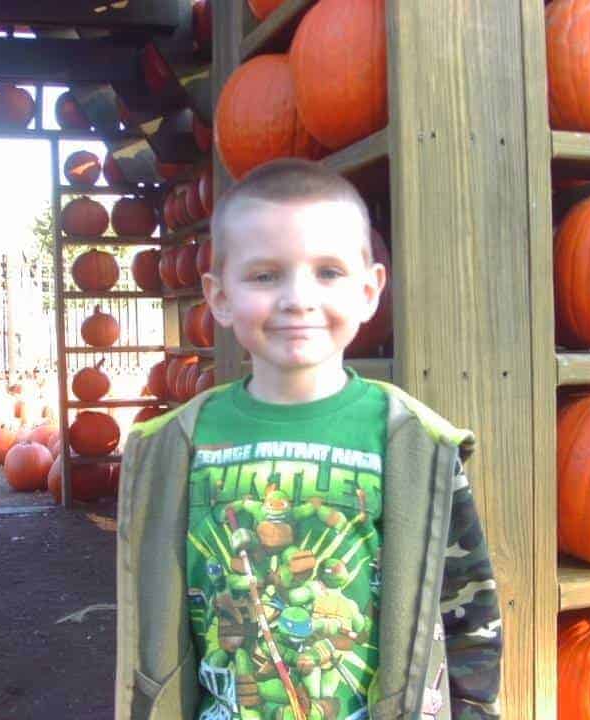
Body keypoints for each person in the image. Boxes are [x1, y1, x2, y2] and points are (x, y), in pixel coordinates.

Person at [115, 159, 502, 720]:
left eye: (328, 272)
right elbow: (149, 629)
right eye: (265, 275)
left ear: (370, 292)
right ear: (219, 297)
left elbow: (469, 618)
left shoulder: (415, 444)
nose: (298, 298)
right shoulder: (175, 445)